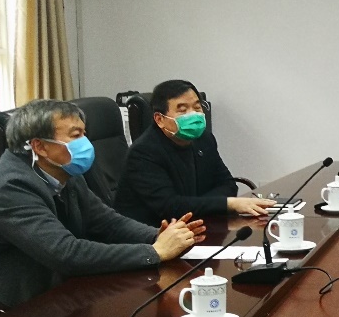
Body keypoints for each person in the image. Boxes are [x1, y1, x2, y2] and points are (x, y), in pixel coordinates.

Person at [0, 99, 205, 310]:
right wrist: (155, 252)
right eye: (76, 135)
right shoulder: (11, 187)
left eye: (84, 133)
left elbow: (107, 222)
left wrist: (159, 236)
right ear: (40, 146)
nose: (86, 143)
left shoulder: (64, 173)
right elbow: (66, 253)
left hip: (45, 296)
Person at [114, 80, 274, 225]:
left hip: (197, 225)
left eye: (197, 107)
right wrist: (227, 203)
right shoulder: (143, 152)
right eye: (182, 110)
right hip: (151, 237)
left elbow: (228, 185)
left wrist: (194, 204)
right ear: (159, 119)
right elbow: (170, 207)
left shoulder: (204, 139)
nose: (193, 115)